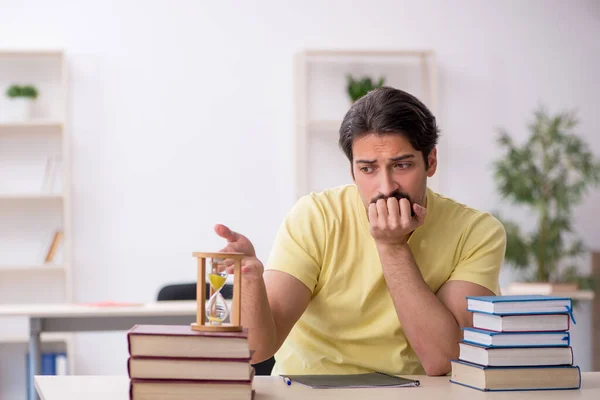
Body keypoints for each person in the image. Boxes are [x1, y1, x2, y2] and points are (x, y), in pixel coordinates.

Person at [214, 87, 506, 376]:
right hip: (309, 391)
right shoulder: (316, 217)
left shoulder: (476, 231)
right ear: (352, 171)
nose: (386, 186)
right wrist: (249, 278)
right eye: (368, 169)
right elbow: (258, 350)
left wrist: (391, 246)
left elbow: (446, 359)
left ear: (430, 162)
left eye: (402, 165)